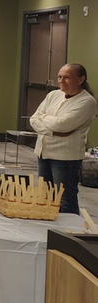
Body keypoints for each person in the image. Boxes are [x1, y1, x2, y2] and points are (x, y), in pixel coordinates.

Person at [30, 63, 97, 215]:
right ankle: (50, 226)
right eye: (59, 77)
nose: (61, 81)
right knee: (46, 196)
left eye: (66, 77)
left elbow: (62, 125)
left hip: (65, 158)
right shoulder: (53, 95)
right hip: (43, 152)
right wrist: (52, 130)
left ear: (80, 80)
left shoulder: (87, 102)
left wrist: (44, 119)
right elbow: (33, 119)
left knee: (65, 199)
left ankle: (69, 229)